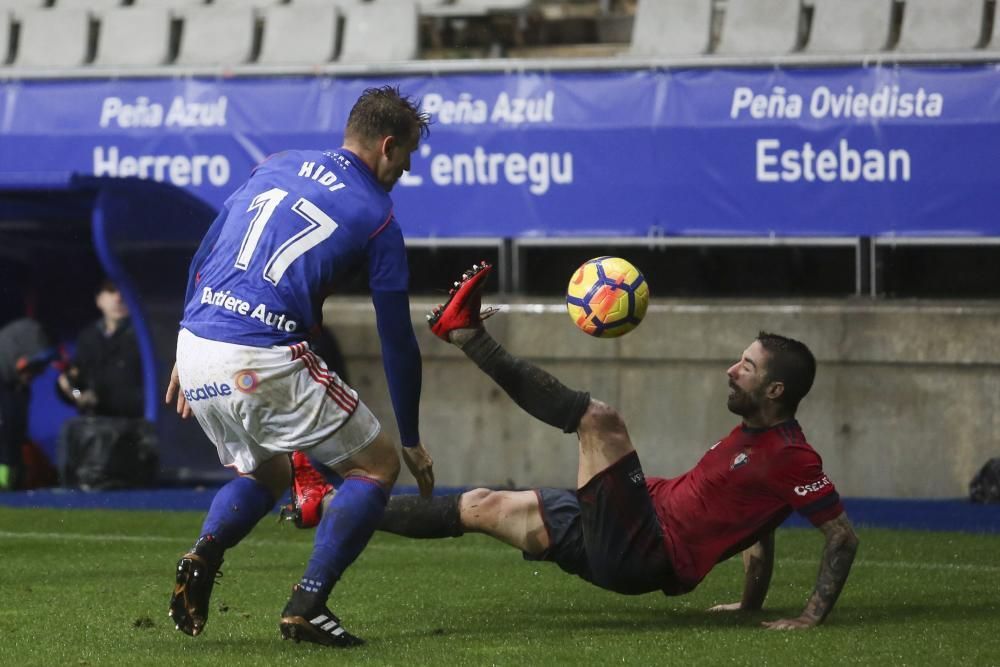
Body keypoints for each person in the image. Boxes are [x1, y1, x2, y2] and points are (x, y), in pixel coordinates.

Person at [295, 262, 860, 630]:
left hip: (644, 547)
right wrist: (750, 604)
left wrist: (810, 617)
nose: (731, 370)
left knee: (600, 421)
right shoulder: (754, 442)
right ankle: (326, 503)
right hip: (622, 530)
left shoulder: (792, 455)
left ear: (776, 390)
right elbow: (756, 527)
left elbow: (841, 536)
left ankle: (465, 333)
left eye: (747, 367)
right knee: (481, 506)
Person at [164, 85, 434, 648]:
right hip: (261, 354)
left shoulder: (277, 163)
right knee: (376, 467)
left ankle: (205, 553)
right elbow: (396, 339)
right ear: (387, 146)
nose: (404, 172)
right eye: (405, 158)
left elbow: (206, 251)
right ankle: (308, 603)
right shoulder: (378, 216)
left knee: (267, 472)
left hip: (198, 341)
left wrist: (183, 348)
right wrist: (410, 437)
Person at [57, 279, 143, 418]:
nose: (118, 297)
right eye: (110, 291)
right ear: (99, 300)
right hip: (99, 426)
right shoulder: (88, 338)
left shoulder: (145, 338)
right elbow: (76, 382)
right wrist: (72, 392)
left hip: (139, 425)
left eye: (124, 290)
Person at [0, 317, 57, 490]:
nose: (33, 374)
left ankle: (9, 481)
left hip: (11, 490)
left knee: (14, 434)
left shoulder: (20, 390)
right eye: (30, 369)